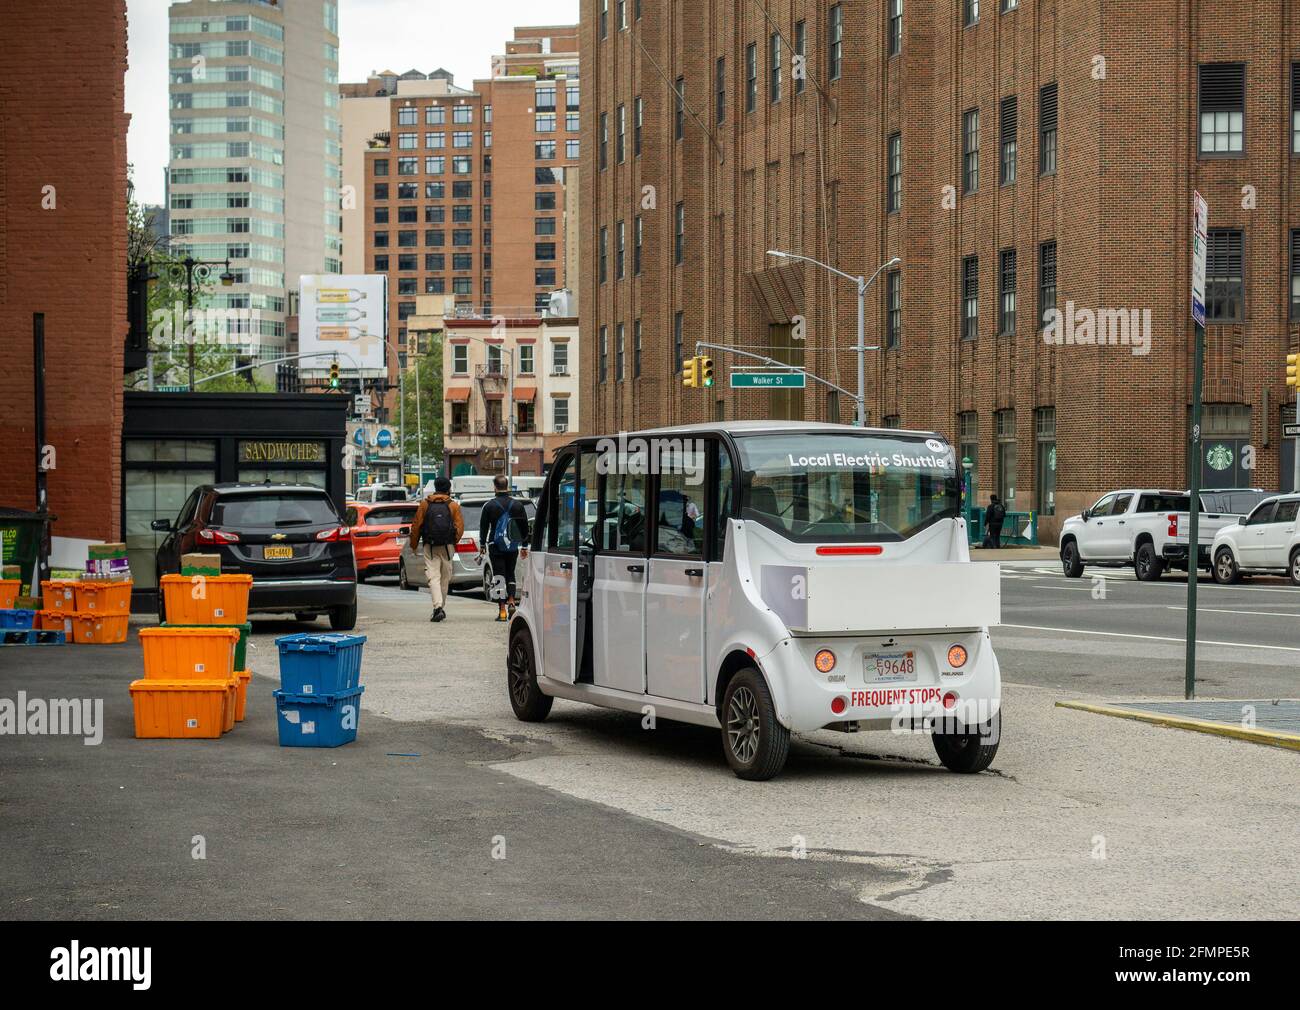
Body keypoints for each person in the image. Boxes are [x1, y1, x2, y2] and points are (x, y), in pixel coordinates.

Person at [410, 476, 463, 622]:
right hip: (447, 546)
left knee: (433, 577)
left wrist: (414, 545)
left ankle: (437, 607)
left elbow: (416, 526)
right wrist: (453, 541)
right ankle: (441, 607)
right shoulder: (453, 506)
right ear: (448, 489)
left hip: (430, 546)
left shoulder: (425, 504)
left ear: (435, 488)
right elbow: (459, 528)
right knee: (445, 578)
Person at [478, 475, 530, 622]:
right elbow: (524, 526)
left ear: (494, 487)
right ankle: (512, 601)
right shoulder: (518, 505)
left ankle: (502, 610)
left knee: (499, 576)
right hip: (512, 544)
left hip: (495, 545)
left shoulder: (489, 506)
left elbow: (483, 527)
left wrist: (482, 545)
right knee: (510, 573)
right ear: (506, 485)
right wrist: (524, 546)